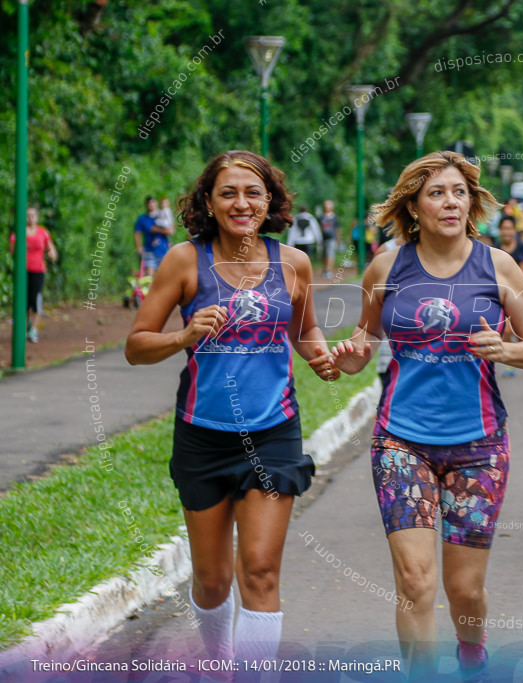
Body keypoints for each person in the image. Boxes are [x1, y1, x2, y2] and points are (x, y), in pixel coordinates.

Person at [330, 151, 523, 679]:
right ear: (414, 205)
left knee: (463, 590)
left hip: (479, 444)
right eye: (436, 193)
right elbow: (367, 337)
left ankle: (471, 650)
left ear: (472, 202)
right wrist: (352, 354)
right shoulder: (386, 265)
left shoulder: (497, 265)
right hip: (401, 439)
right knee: (415, 581)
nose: (450, 202)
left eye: (458, 192)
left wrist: (504, 350)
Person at [124, 150, 337, 665]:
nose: (241, 203)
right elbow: (136, 345)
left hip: (273, 431)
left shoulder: (293, 263)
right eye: (228, 193)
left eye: (253, 193)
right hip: (203, 434)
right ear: (209, 202)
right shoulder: (184, 260)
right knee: (214, 581)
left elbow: (304, 331)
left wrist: (325, 358)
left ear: (270, 201)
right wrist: (185, 335)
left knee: (259, 571)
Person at [8, 206, 58, 343]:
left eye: (32, 215)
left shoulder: (43, 233)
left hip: (38, 271)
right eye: (27, 215)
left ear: (37, 217)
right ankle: (23, 327)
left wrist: (52, 253)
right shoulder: (19, 233)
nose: (30, 218)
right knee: (23, 300)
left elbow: (50, 247)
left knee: (35, 300)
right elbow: (12, 250)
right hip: (23, 271)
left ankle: (33, 329)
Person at [134, 196, 173, 275]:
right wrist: (139, 247)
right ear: (146, 205)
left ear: (156, 203)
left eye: (153, 202)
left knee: (163, 275)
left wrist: (155, 229)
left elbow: (171, 230)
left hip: (163, 249)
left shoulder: (163, 214)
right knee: (149, 276)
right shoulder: (142, 219)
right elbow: (137, 233)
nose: (151, 205)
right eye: (149, 203)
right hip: (149, 250)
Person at [320, 199, 339, 278]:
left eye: (329, 205)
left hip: (332, 238)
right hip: (323, 239)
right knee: (324, 255)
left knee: (330, 254)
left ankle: (329, 270)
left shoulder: (335, 217)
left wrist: (338, 239)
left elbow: (337, 229)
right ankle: (325, 269)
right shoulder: (321, 217)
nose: (327, 206)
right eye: (326, 205)